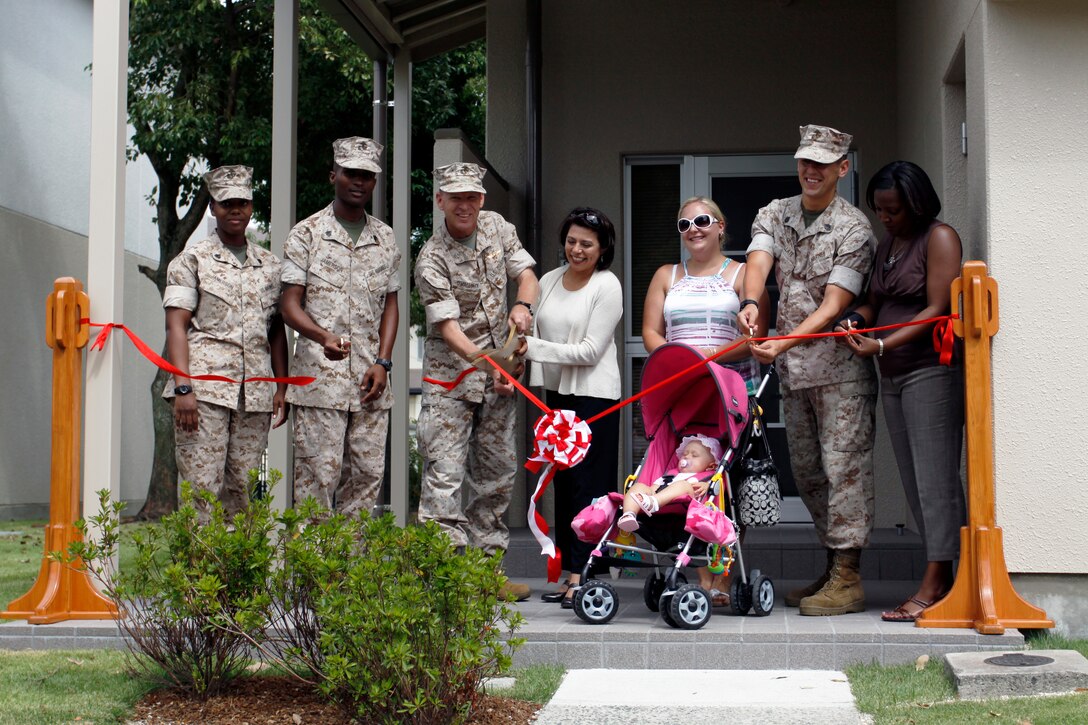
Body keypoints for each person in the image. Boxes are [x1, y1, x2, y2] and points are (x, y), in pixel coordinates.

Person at [739, 124, 878, 616]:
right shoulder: (775, 212)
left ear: (842, 167)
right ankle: (832, 564)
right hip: (794, 370)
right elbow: (757, 260)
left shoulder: (854, 228)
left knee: (845, 470)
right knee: (809, 471)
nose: (810, 170)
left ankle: (849, 575)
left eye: (822, 162)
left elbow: (835, 303)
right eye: (804, 160)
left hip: (838, 371)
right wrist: (752, 302)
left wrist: (783, 340)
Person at [836, 161, 965, 622]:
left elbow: (937, 308)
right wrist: (859, 318)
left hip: (930, 372)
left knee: (936, 482)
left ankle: (937, 581)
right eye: (878, 210)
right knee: (914, 482)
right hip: (890, 374)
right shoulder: (891, 243)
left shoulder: (939, 237)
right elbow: (875, 298)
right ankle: (945, 575)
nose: (884, 218)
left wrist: (883, 343)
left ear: (915, 203)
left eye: (892, 210)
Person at [415, 162, 540, 602]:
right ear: (440, 201)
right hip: (451, 381)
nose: (464, 205)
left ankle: (486, 575)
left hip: (498, 380)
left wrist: (523, 306)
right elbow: (449, 330)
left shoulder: (498, 228)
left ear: (481, 199)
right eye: (455, 197)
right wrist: (492, 364)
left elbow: (526, 275)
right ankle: (446, 584)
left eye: (471, 197)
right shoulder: (431, 258)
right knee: (444, 480)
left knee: (496, 477)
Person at [642, 195, 769, 605]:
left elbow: (754, 337)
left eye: (701, 221)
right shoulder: (666, 274)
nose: (693, 229)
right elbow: (650, 333)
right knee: (687, 479)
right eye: (684, 225)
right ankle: (700, 574)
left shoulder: (743, 274)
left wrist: (706, 361)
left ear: (720, 226)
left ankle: (724, 575)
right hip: (683, 396)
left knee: (726, 484)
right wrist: (679, 362)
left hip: (732, 393)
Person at [280, 137, 401, 518]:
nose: (359, 182)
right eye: (351, 173)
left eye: (367, 175)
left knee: (365, 481)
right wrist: (322, 336)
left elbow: (391, 305)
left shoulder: (386, 238)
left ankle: (354, 576)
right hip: (319, 383)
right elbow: (288, 304)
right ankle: (314, 578)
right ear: (334, 175)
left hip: (370, 383)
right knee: (317, 482)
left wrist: (383, 362)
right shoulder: (306, 234)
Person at [163, 165, 288, 520]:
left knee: (245, 492)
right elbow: (176, 325)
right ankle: (195, 575)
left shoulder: (271, 265)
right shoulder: (191, 260)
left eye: (242, 202)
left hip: (255, 394)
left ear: (251, 207)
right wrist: (183, 387)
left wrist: (281, 385)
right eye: (226, 202)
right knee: (200, 492)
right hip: (205, 394)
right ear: (213, 208)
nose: (235, 209)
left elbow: (276, 329)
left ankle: (240, 576)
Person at [518, 207, 622, 609]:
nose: (577, 249)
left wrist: (534, 349)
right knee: (561, 483)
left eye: (587, 244)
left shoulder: (607, 285)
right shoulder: (547, 280)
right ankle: (568, 572)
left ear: (602, 249)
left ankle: (587, 572)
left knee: (589, 487)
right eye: (572, 241)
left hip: (595, 396)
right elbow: (532, 329)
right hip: (558, 395)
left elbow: (591, 351)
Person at [617, 435, 722, 532]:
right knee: (639, 486)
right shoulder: (671, 474)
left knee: (683, 484)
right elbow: (654, 488)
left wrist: (707, 486)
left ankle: (654, 502)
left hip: (688, 504)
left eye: (694, 455)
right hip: (657, 500)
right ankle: (629, 514)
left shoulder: (708, 477)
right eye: (685, 454)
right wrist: (648, 492)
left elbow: (720, 488)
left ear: (711, 466)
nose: (686, 457)